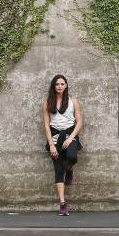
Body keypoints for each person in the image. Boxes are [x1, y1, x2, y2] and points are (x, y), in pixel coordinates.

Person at [41, 74, 83, 216]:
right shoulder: (47, 103)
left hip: (70, 135)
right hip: (54, 137)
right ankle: (63, 204)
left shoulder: (73, 101)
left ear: (66, 86)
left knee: (72, 156)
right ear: (54, 86)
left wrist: (71, 138)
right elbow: (46, 126)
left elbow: (79, 122)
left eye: (62, 84)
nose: (60, 86)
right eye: (57, 84)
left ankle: (69, 169)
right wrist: (51, 145)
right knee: (58, 170)